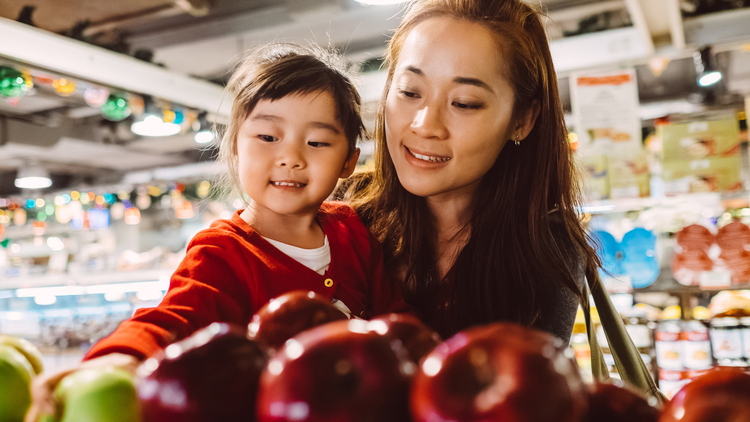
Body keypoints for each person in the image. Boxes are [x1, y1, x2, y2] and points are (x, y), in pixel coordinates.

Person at [25, 43, 409, 421]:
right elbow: (174, 318)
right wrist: (118, 360)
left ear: (348, 161)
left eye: (317, 142)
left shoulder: (352, 232)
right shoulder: (223, 251)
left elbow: (399, 326)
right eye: (267, 137)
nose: (291, 156)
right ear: (236, 147)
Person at [341, 0, 600, 341]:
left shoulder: (545, 248)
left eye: (463, 103)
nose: (424, 124)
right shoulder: (342, 209)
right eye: (409, 91)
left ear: (522, 120)